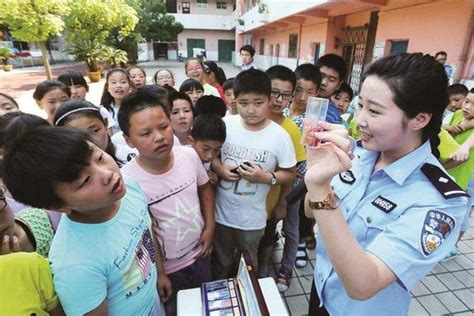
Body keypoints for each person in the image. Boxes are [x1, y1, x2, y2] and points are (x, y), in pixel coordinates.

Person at [303, 53, 468, 315]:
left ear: (420, 119)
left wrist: (320, 189)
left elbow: (362, 285)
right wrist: (318, 175)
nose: (359, 121)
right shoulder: (356, 155)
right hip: (323, 290)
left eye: (375, 111)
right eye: (360, 106)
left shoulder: (440, 200)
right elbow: (311, 212)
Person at [3, 127, 164, 315]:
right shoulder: (74, 263)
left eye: (100, 158)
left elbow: (146, 230)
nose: (107, 174)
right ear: (58, 206)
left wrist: (160, 273)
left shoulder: (128, 185)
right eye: (85, 181)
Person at [118, 88, 215, 315]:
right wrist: (159, 272)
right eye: (145, 133)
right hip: (169, 271)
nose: (159, 137)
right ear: (128, 140)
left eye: (163, 127)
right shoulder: (128, 182)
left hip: (201, 255)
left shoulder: (189, 156)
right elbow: (144, 232)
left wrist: (210, 226)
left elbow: (205, 188)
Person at [211, 69, 296, 278]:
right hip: (221, 215)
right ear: (234, 101)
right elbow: (209, 154)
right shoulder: (225, 124)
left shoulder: (280, 136)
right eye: (243, 103)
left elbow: (290, 174)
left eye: (258, 103)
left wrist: (265, 178)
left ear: (269, 100)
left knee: (249, 267)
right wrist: (220, 168)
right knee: (221, 264)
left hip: (253, 220)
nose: (250, 110)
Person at [258, 65, 306, 290]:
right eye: (274, 92)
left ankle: (285, 271)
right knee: (263, 235)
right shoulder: (251, 120)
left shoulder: (291, 130)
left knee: (290, 229)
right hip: (259, 194)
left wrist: (284, 203)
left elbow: (293, 171)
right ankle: (261, 271)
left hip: (286, 192)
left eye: (286, 95)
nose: (279, 100)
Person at [54, 99, 134, 165]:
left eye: (95, 131)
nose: (90, 141)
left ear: (105, 123)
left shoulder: (131, 156)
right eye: (77, 136)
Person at [189, 114, 226, 185]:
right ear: (191, 141)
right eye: (205, 149)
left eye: (216, 150)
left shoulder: (208, 163)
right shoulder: (181, 161)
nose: (210, 156)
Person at [100, 68, 132, 134]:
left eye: (123, 82)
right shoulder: (103, 110)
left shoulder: (138, 107)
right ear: (108, 88)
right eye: (113, 82)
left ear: (130, 86)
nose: (118, 86)